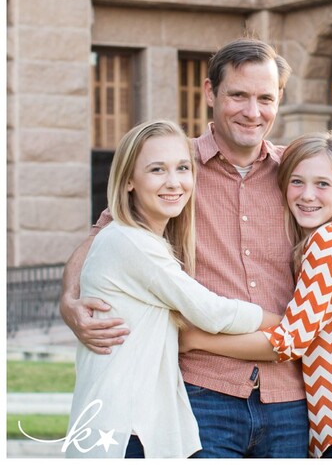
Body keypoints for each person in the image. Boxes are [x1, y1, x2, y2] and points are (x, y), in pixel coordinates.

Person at [59, 37, 332, 458]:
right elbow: (103, 239)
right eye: (238, 95)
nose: (252, 112)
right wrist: (70, 301)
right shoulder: (175, 170)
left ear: (279, 100)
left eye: (265, 98)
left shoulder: (298, 176)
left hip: (290, 400)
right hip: (204, 393)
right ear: (210, 92)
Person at [66, 120, 282, 459]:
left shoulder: (146, 242)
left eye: (183, 168)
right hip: (122, 431)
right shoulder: (130, 241)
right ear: (128, 181)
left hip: (133, 426)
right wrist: (285, 321)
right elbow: (212, 312)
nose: (174, 182)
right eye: (157, 170)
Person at [179, 131, 332, 458]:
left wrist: (195, 340)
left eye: (323, 184)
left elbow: (289, 342)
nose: (308, 195)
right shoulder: (331, 240)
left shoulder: (328, 242)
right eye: (297, 182)